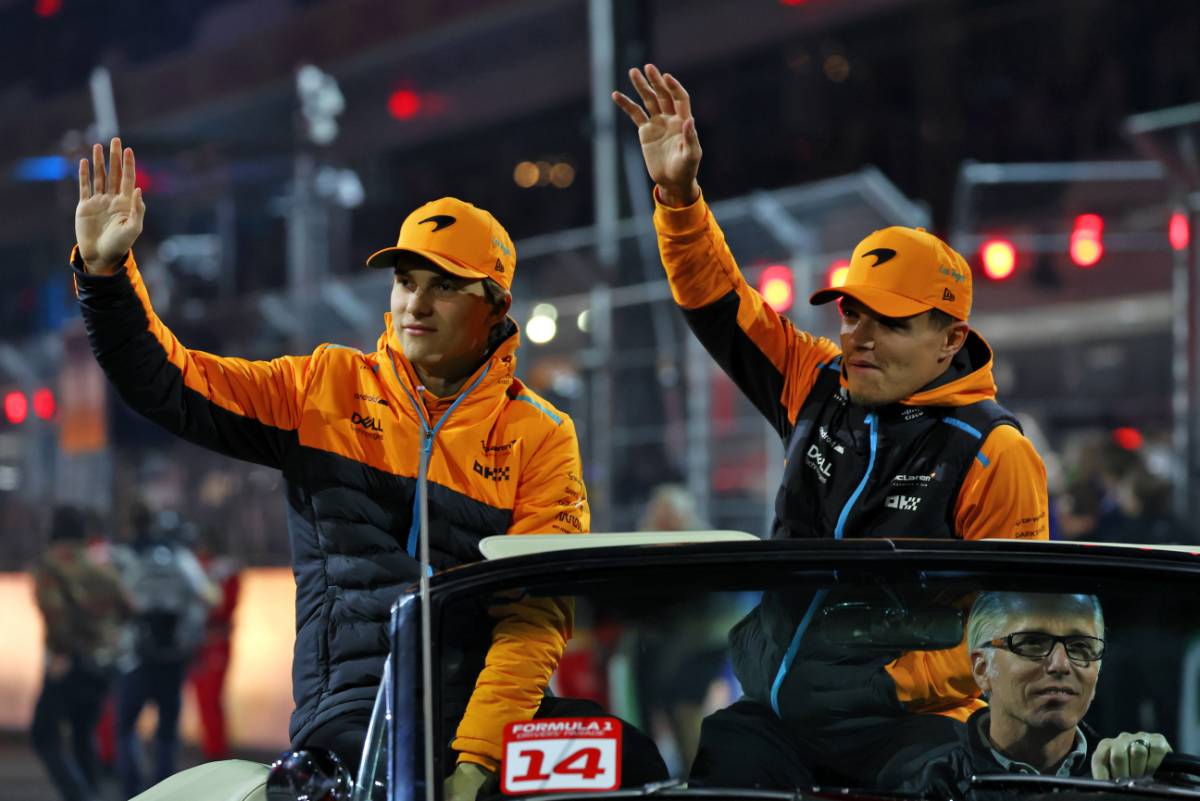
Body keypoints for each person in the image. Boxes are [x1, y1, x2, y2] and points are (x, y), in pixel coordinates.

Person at [72, 139, 589, 799]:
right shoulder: (326, 385)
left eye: (444, 286)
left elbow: (534, 617)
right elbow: (170, 384)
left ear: (495, 306)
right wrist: (105, 271)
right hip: (353, 709)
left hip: (489, 711)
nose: (415, 305)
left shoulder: (541, 434)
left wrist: (478, 762)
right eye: (405, 281)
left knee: (637, 760)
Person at [612, 64, 1050, 786]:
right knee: (719, 756)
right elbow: (718, 302)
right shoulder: (812, 381)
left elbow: (1014, 625)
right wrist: (680, 197)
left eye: (891, 320)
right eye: (850, 310)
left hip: (914, 728)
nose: (858, 334)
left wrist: (882, 683)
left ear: (950, 338)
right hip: (780, 715)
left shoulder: (994, 452)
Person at [883, 592, 1171, 797]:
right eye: (1032, 643)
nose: (1060, 664)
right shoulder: (928, 786)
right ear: (982, 669)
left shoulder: (1130, 778)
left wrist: (1154, 778)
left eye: (1081, 646)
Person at [111, 506, 219, 797]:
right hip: (173, 658)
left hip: (135, 657)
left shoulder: (128, 558)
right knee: (168, 730)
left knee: (126, 726)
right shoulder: (182, 559)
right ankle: (163, 789)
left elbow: (116, 601)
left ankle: (131, 789)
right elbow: (209, 597)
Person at [30, 505, 133, 801]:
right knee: (83, 734)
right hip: (101, 663)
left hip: (67, 661)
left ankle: (79, 796)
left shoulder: (50, 566)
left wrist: (62, 652)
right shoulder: (97, 565)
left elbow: (55, 614)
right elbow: (129, 607)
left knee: (43, 735)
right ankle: (93, 793)